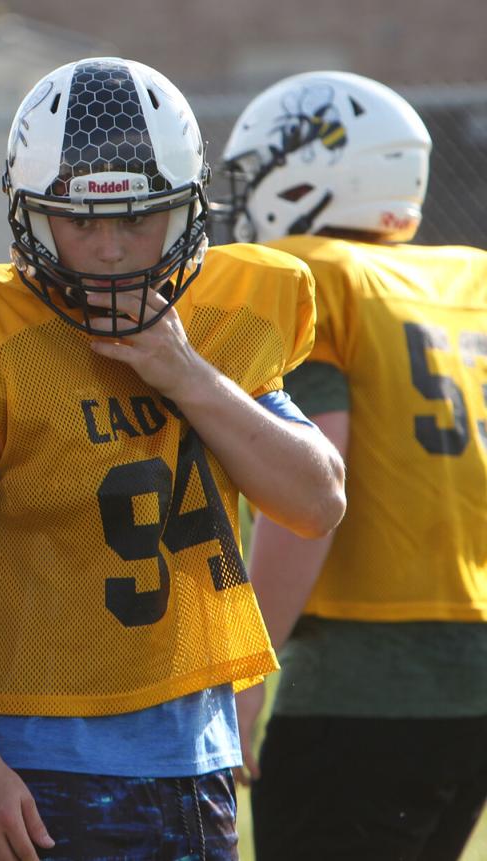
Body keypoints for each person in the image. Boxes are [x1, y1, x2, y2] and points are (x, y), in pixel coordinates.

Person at [0, 57, 347, 861]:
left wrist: (185, 373)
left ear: (187, 211)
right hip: (37, 767)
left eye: (137, 219)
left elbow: (317, 500)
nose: (110, 250)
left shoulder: (225, 324)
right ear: (31, 218)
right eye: (81, 222)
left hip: (199, 756)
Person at [221, 70, 487, 861]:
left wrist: (246, 670)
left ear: (308, 172)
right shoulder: (463, 280)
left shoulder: (313, 276)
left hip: (359, 678)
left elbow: (310, 487)